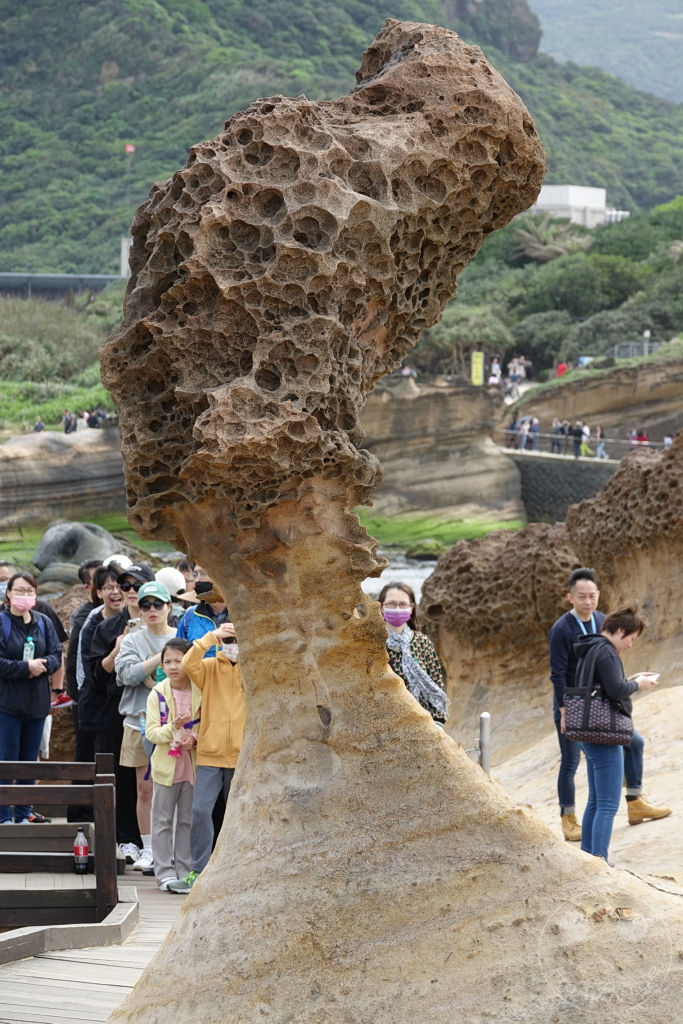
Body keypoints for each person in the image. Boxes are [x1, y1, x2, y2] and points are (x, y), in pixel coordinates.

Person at [548, 568, 670, 843]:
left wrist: (630, 680)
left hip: (599, 707)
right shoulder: (562, 630)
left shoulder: (602, 624)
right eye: (582, 596)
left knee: (633, 745)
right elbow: (559, 675)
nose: (588, 601)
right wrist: (564, 712)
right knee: (574, 766)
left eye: (592, 596)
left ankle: (635, 800)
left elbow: (609, 678)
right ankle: (569, 820)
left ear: (599, 595)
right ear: (570, 597)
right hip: (577, 708)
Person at [573, 607, 663, 864]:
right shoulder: (607, 652)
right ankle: (600, 861)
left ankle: (587, 859)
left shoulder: (591, 647)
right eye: (631, 639)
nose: (630, 645)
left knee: (595, 801)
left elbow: (604, 686)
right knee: (608, 805)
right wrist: (639, 684)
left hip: (588, 732)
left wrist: (631, 680)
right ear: (621, 630)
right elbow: (615, 690)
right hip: (604, 735)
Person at [167, 620, 243, 893]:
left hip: (243, 757)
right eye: (229, 640)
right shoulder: (209, 667)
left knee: (239, 817)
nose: (233, 646)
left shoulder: (252, 669)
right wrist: (213, 635)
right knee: (199, 811)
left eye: (237, 640)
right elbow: (188, 662)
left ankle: (237, 874)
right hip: (210, 755)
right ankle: (197, 873)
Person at [88, 562, 155, 863]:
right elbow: (95, 676)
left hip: (160, 705)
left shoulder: (165, 621)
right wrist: (117, 650)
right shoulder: (107, 626)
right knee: (124, 775)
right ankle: (128, 839)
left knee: (157, 778)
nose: (130, 591)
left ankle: (157, 842)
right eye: (125, 585)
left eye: (137, 586)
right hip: (119, 706)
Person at [115, 580, 177, 872]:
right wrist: (162, 658)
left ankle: (173, 849)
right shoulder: (131, 640)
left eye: (158, 604)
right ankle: (149, 849)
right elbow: (127, 674)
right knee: (145, 788)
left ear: (169, 607)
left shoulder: (181, 635)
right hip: (138, 720)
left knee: (176, 787)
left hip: (177, 723)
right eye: (145, 605)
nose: (152, 610)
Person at [0, 573, 62, 823]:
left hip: (37, 705)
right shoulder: (2, 622)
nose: (24, 595)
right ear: (8, 593)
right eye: (19, 590)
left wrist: (43, 665)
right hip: (7, 705)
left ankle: (24, 814)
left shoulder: (43, 622)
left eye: (29, 591)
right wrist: (26, 667)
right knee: (7, 761)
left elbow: (56, 654)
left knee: (29, 762)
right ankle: (3, 816)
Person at [145, 638, 201, 890]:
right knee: (162, 820)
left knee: (187, 820)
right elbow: (152, 733)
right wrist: (173, 727)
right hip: (166, 765)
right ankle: (165, 874)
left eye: (179, 660)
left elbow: (209, 726)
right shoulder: (157, 694)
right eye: (167, 661)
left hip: (193, 765)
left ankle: (185, 872)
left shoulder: (201, 690)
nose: (173, 666)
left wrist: (195, 738)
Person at [378, 582, 447, 724]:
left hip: (421, 723)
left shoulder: (422, 642)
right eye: (391, 604)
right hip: (383, 723)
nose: (397, 609)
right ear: (381, 607)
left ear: (411, 608)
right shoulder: (373, 644)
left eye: (403, 604)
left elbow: (436, 685)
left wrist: (437, 724)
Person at [176, 565, 229, 656]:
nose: (197, 580)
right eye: (195, 574)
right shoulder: (190, 615)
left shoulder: (244, 615)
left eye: (203, 573)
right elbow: (178, 654)